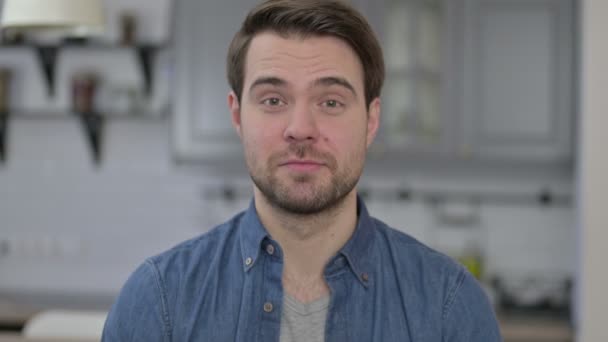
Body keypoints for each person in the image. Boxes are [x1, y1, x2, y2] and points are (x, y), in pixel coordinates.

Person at [102, 0, 502, 341]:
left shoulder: (450, 307)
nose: (301, 129)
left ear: (371, 120)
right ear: (237, 115)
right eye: (273, 99)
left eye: (330, 102)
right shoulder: (159, 301)